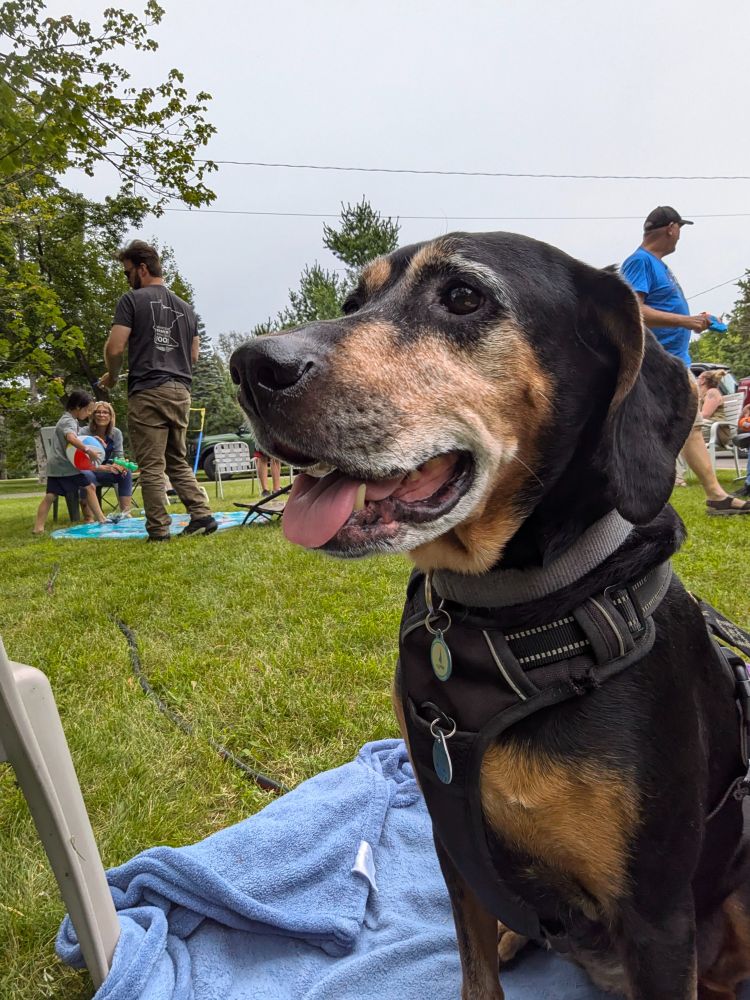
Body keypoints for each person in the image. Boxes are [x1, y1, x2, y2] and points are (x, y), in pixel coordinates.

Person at [621, 206, 750, 516]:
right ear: (672, 228)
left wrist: (695, 320)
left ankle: (715, 495)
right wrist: (686, 321)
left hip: (675, 361)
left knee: (690, 427)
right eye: (680, 229)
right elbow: (634, 312)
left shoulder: (658, 265)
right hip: (656, 363)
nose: (680, 236)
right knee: (656, 427)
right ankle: (634, 495)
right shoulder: (640, 261)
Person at [99, 240, 217, 541]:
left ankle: (158, 531)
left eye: (127, 273)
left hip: (148, 390)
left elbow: (115, 347)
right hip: (180, 391)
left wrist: (112, 377)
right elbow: (194, 356)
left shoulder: (131, 301)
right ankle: (201, 515)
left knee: (151, 465)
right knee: (176, 459)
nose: (127, 280)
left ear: (142, 268)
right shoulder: (186, 309)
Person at [33, 389, 108, 535]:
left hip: (55, 466)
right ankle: (101, 518)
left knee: (50, 496)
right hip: (66, 466)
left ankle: (38, 527)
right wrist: (88, 450)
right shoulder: (68, 421)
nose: (89, 414)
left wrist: (95, 439)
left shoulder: (68, 419)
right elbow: (71, 439)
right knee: (90, 487)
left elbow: (77, 436)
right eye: (88, 410)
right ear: (78, 407)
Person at [80, 400, 133, 520]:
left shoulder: (116, 433)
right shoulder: (84, 431)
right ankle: (89, 517)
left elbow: (119, 456)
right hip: (88, 469)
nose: (101, 415)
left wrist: (120, 465)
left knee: (125, 472)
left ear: (111, 416)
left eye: (105, 412)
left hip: (105, 470)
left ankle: (125, 512)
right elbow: (80, 459)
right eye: (98, 412)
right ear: (93, 415)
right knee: (87, 476)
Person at [697, 369, 732, 448]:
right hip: (708, 427)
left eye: (698, 378)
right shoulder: (702, 394)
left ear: (703, 381)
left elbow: (705, 414)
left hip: (716, 430)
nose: (696, 380)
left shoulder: (712, 392)